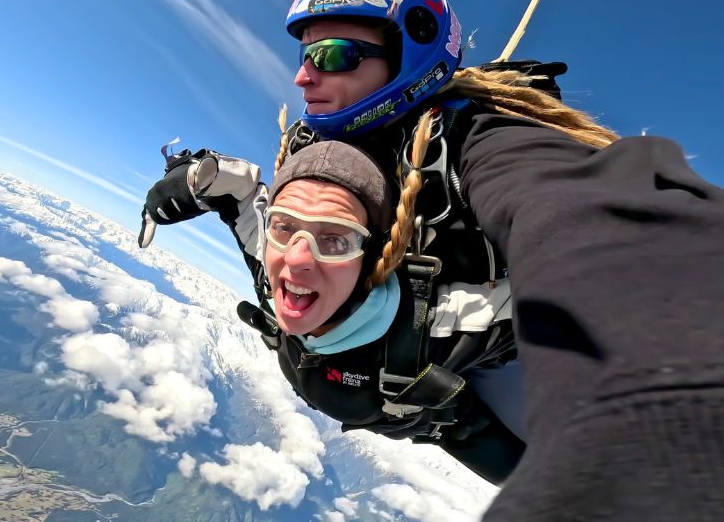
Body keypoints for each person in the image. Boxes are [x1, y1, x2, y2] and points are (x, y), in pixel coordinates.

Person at [143, 0, 724, 520]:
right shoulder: (325, 155)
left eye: (332, 55)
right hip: (423, 408)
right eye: (304, 56)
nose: (303, 78)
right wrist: (223, 188)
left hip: (484, 399)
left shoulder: (480, 141)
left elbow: (580, 216)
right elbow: (294, 262)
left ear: (411, 50)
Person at [140, 138, 526, 485]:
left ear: (373, 257)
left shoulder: (428, 323)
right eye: (284, 226)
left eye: (336, 239)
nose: (297, 257)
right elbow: (241, 195)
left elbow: (553, 301)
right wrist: (197, 178)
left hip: (449, 425)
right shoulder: (270, 262)